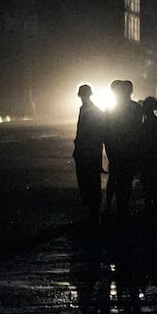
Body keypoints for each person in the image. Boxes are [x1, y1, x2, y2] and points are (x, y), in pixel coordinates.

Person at [102, 80, 142, 221]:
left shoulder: (111, 110)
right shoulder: (136, 108)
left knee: (114, 179)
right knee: (126, 180)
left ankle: (109, 207)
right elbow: (138, 132)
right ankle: (122, 208)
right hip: (129, 150)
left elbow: (106, 132)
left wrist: (109, 149)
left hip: (116, 150)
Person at [72, 84, 104, 228]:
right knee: (89, 183)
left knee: (88, 183)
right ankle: (93, 214)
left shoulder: (89, 111)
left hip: (87, 152)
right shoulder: (91, 110)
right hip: (89, 151)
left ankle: (93, 215)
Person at [137, 96, 157, 214]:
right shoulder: (155, 121)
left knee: (149, 183)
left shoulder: (149, 122)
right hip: (154, 156)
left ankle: (151, 205)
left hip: (148, 156)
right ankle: (155, 205)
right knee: (152, 182)